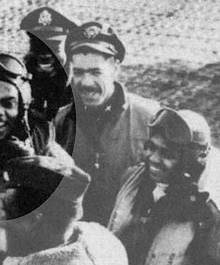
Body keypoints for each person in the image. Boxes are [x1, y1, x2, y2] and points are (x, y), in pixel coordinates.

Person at [0, 53, 104, 265]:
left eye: (8, 104)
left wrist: (31, 167)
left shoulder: (47, 155)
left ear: (20, 108)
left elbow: (63, 235)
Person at [55, 21, 160, 225]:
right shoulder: (63, 121)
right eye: (78, 72)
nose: (85, 82)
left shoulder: (149, 118)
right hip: (81, 242)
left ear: (114, 68)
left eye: (95, 72)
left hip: (131, 240)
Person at [108, 108, 220, 265]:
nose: (153, 158)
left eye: (167, 154)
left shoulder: (209, 214)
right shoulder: (131, 181)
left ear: (190, 162)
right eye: (151, 147)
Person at [20, 7, 77, 120]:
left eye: (53, 48)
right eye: (38, 46)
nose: (45, 55)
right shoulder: (22, 79)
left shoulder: (77, 86)